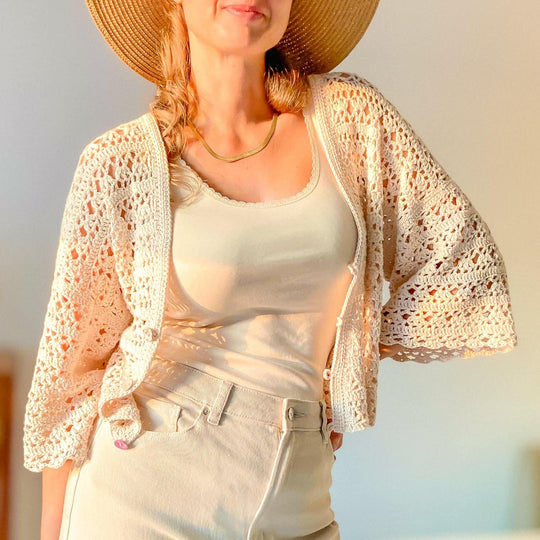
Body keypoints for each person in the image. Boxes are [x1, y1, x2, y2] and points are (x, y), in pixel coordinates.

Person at [23, 0, 518, 539]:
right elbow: (67, 382)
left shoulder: (351, 121)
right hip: (150, 488)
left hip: (299, 491)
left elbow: (460, 261)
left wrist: (352, 350)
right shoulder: (121, 164)